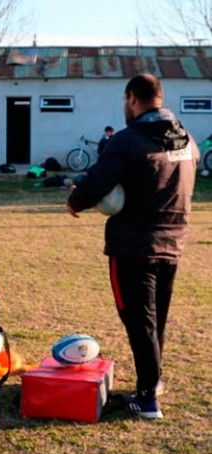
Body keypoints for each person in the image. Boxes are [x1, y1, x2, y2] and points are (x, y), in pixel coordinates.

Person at [67, 74, 198, 420]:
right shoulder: (186, 139)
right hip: (173, 242)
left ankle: (147, 398)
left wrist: (75, 201)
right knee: (155, 319)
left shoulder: (129, 140)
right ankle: (152, 384)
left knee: (138, 320)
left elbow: (97, 182)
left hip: (134, 246)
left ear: (132, 98)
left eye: (125, 101)